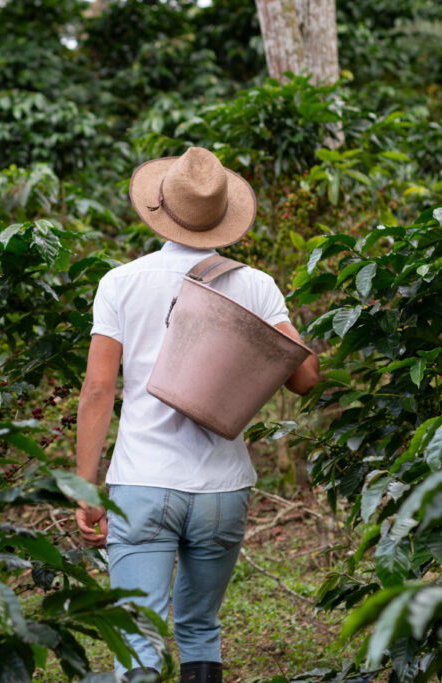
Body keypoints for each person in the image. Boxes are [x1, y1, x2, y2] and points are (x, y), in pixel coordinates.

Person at [73, 147, 321, 683]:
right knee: (201, 627)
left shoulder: (121, 282)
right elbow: (306, 379)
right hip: (222, 490)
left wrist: (85, 489)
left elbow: (98, 390)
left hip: (142, 480)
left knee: (136, 636)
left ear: (160, 207)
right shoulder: (254, 284)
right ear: (221, 218)